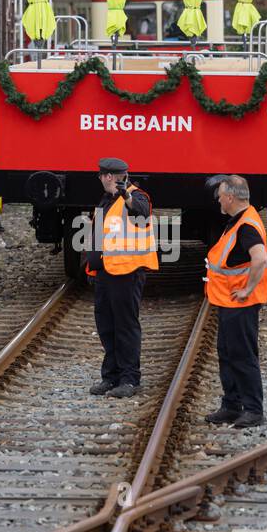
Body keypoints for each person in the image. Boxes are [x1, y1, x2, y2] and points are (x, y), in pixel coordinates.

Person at [86, 157, 157, 396]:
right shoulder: (106, 200)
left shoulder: (136, 196)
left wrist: (125, 195)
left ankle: (130, 379)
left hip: (127, 273)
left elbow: (141, 213)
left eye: (101, 175)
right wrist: (92, 267)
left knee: (125, 326)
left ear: (108, 176)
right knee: (106, 326)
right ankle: (111, 376)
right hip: (106, 273)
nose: (100, 179)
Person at [204, 175, 267, 429]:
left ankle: (253, 409)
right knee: (228, 354)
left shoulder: (246, 226)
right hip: (230, 303)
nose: (218, 199)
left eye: (220, 195)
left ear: (230, 197)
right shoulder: (240, 220)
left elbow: (260, 259)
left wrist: (247, 289)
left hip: (241, 303)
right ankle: (231, 405)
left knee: (242, 356)